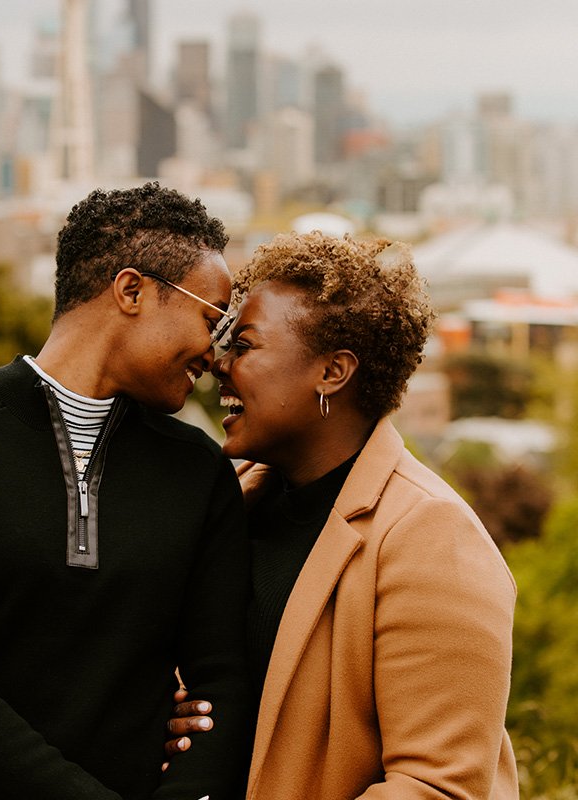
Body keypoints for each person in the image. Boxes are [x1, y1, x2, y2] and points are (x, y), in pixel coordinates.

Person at [0, 183, 254, 800]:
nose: (215, 352)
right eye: (212, 320)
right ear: (132, 291)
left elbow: (222, 677)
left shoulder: (198, 470)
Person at [166, 231, 518, 798]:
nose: (218, 363)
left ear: (333, 373)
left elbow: (438, 787)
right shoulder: (233, 502)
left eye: (246, 345)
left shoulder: (430, 537)